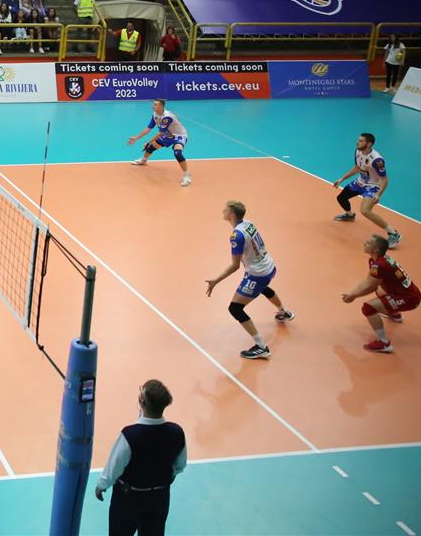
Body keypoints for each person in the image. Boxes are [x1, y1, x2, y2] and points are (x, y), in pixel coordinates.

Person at [203, 200, 294, 360]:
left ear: (231, 215)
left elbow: (235, 265)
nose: (222, 211)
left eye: (225, 210)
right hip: (269, 266)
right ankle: (283, 312)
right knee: (263, 288)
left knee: (235, 308)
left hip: (258, 273)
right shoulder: (248, 223)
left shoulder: (236, 236)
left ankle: (261, 347)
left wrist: (216, 281)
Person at [94, 379, 186, 536]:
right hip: (159, 498)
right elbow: (179, 465)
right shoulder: (176, 432)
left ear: (142, 402)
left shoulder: (130, 435)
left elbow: (114, 466)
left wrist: (101, 485)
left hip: (128, 500)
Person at [341, 234, 420, 353]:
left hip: (410, 299)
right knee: (379, 290)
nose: (364, 243)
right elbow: (369, 281)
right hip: (406, 293)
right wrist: (353, 293)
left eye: (368, 243)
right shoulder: (377, 260)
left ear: (376, 249)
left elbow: (370, 286)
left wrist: (353, 296)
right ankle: (395, 314)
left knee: (368, 308)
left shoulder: (380, 265)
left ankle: (384, 343)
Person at [331, 132, 401, 249]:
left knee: (365, 211)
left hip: (372, 186)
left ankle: (393, 234)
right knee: (341, 198)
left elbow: (385, 179)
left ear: (369, 144)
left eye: (361, 141)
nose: (357, 142)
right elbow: (356, 168)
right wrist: (341, 179)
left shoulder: (377, 160)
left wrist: (378, 194)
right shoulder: (358, 152)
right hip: (360, 183)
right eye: (358, 140)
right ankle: (350, 215)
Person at [127, 99, 192, 186]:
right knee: (151, 147)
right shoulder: (155, 115)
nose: (153, 106)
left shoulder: (167, 117)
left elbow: (160, 133)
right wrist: (136, 138)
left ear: (161, 106)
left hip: (179, 135)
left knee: (177, 153)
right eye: (154, 104)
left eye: (156, 104)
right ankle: (143, 161)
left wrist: (148, 142)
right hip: (168, 135)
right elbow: (148, 128)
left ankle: (186, 175)